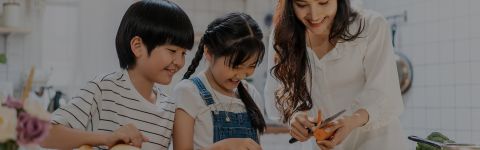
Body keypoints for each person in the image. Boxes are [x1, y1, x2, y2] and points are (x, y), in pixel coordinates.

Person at [40, 0, 194, 149]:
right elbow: (45, 134)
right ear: (137, 46)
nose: (179, 61)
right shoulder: (103, 89)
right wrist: (106, 138)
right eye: (172, 51)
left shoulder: (169, 108)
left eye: (183, 53)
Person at [264, 0, 407, 149]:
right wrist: (295, 116)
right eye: (302, 4)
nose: (314, 15)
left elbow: (384, 93)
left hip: (377, 142)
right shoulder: (284, 35)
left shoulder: (371, 25)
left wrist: (352, 121)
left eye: (323, 2)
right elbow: (279, 90)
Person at [172, 12, 266, 150]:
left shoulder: (252, 94)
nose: (241, 75)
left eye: (251, 66)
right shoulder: (188, 92)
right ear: (208, 52)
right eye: (235, 65)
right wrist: (225, 147)